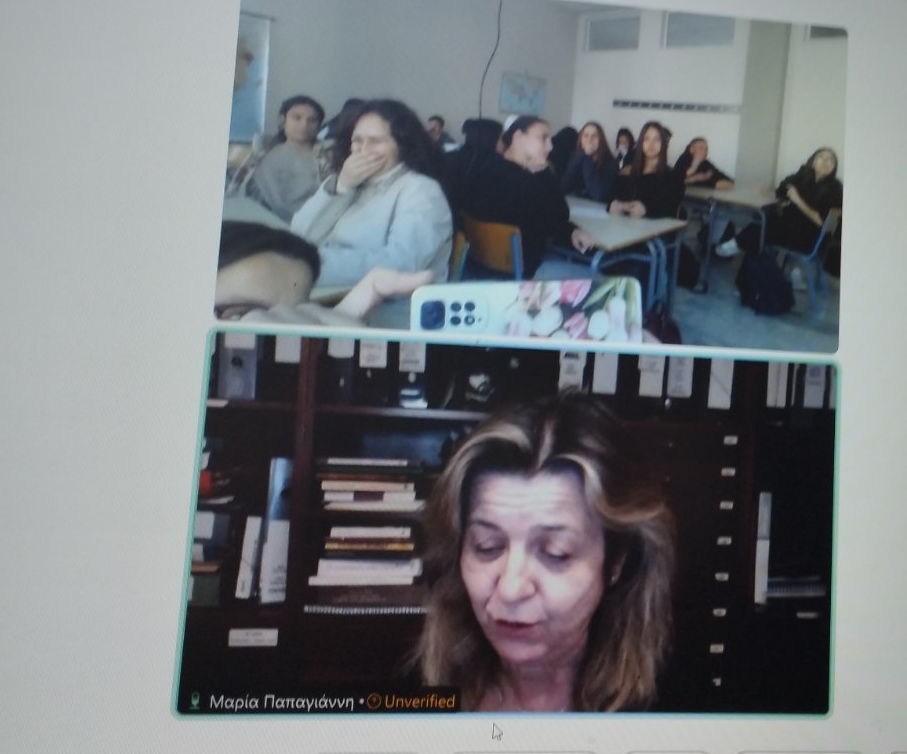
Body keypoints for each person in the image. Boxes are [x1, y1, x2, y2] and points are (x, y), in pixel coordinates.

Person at [412, 393, 674, 711]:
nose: (510, 590)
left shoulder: (673, 714)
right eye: (487, 547)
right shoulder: (420, 692)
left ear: (616, 564)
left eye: (555, 553)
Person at [290, 99, 454, 287]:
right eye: (357, 140)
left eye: (376, 141)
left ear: (402, 145)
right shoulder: (348, 181)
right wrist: (341, 186)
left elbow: (402, 265)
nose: (364, 150)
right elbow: (300, 234)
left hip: (389, 302)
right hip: (332, 288)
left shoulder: (421, 191)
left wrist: (312, 264)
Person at [452, 116, 597, 273]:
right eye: (543, 138)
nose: (550, 147)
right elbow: (560, 217)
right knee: (596, 275)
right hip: (524, 272)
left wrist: (571, 231)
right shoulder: (525, 183)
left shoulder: (483, 169)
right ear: (518, 137)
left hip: (477, 268)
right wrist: (544, 172)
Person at [214, 221, 433, 323]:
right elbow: (302, 226)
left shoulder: (420, 192)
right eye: (239, 315)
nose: (278, 326)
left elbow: (405, 260)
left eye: (300, 313)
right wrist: (338, 188)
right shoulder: (347, 185)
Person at [717, 146, 843, 256]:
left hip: (812, 237)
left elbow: (823, 222)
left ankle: (738, 244)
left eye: (830, 160)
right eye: (821, 157)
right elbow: (780, 193)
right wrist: (764, 191)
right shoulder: (801, 177)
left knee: (769, 225)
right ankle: (742, 247)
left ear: (834, 167)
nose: (826, 162)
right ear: (813, 161)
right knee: (766, 215)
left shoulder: (836, 189)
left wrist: (798, 200)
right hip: (791, 227)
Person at [232, 95, 327, 221]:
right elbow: (274, 202)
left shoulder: (330, 152)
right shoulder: (269, 157)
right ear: (283, 120)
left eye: (312, 120)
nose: (304, 125)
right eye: (297, 118)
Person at [610, 121, 683, 219]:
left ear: (664, 144)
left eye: (657, 139)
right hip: (623, 224)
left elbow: (671, 209)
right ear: (640, 143)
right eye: (646, 139)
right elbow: (612, 198)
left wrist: (646, 210)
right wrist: (614, 205)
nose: (651, 144)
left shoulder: (673, 177)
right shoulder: (628, 172)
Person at [561, 121, 619, 202]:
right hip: (576, 203)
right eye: (586, 136)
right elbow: (564, 188)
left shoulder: (611, 163)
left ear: (601, 140)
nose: (589, 140)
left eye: (594, 136)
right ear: (581, 139)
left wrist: (588, 158)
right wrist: (579, 159)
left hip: (598, 207)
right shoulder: (576, 156)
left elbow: (598, 195)